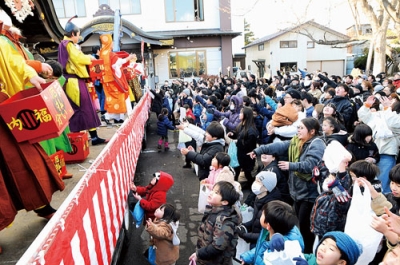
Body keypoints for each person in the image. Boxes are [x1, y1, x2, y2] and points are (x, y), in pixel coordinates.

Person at [0, 26, 65, 233]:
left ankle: (41, 204)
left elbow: (16, 64)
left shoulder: (5, 42)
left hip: (4, 106)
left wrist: (32, 72)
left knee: (27, 160)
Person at [249, 117, 326, 253]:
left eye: (301, 128)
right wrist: (259, 150)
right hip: (297, 192)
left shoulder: (317, 144)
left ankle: (306, 254)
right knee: (298, 224)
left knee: (304, 227)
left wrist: (291, 165)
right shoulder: (297, 141)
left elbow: (311, 164)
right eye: (298, 127)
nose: (298, 130)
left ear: (312, 131)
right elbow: (279, 146)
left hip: (309, 193)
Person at [58, 16, 108, 145]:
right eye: (77, 35)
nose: (78, 38)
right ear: (73, 34)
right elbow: (78, 59)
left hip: (74, 81)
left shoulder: (66, 45)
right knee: (80, 109)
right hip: (73, 81)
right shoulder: (68, 44)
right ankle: (77, 140)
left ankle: (91, 137)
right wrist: (90, 58)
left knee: (85, 108)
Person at [189, 181, 241, 265]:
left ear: (224, 202)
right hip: (207, 258)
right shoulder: (214, 211)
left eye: (216, 192)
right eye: (213, 190)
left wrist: (198, 254)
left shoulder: (224, 221)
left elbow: (217, 247)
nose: (211, 193)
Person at [239, 200, 304, 265]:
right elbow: (262, 248)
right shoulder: (274, 228)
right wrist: (247, 257)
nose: (261, 214)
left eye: (263, 214)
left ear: (268, 225)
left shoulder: (280, 251)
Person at [237, 171, 282, 249]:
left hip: (262, 246)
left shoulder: (271, 207)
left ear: (266, 187)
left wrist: (245, 235)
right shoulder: (259, 198)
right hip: (255, 240)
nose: (255, 183)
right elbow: (256, 220)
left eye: (258, 182)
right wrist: (244, 226)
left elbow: (266, 235)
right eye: (255, 180)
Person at [99, 34, 136, 124]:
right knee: (120, 98)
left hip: (106, 82)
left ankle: (118, 117)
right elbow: (118, 63)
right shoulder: (110, 54)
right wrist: (129, 58)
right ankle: (109, 116)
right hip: (113, 81)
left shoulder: (101, 53)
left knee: (112, 100)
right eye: (112, 42)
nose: (112, 44)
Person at [274, 231, 362, 265]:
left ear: (341, 262)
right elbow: (291, 256)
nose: (323, 248)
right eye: (323, 243)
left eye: (331, 249)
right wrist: (280, 239)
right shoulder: (311, 258)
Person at [227, 107, 259, 186]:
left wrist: (238, 142)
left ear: (246, 115)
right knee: (237, 171)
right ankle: (234, 185)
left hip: (247, 156)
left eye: (241, 113)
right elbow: (238, 134)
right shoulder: (241, 125)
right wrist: (233, 135)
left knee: (247, 173)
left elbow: (249, 145)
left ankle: (253, 186)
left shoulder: (251, 130)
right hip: (240, 154)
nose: (239, 114)